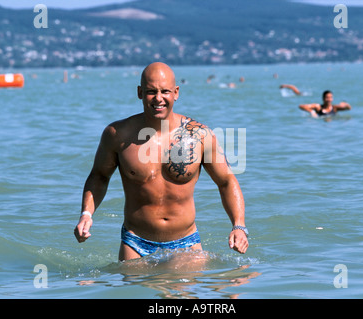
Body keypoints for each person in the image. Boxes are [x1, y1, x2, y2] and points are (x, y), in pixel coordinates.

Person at [74, 62, 248, 261]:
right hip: (135, 242)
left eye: (165, 91)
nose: (158, 98)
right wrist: (87, 214)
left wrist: (239, 226)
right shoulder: (117, 135)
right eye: (151, 91)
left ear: (176, 92)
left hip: (186, 243)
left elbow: (226, 181)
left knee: (229, 288)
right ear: (140, 92)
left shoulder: (200, 135)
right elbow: (100, 176)